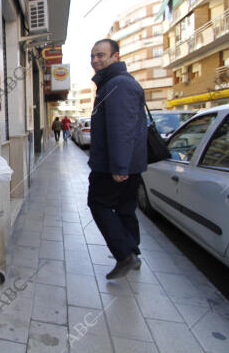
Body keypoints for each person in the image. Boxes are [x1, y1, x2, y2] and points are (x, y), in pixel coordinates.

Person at [88, 38, 147, 280]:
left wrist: (119, 166)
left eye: (101, 55)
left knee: (99, 204)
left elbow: (122, 128)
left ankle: (125, 256)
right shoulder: (115, 83)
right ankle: (132, 251)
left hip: (114, 165)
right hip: (126, 164)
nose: (95, 60)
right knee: (124, 208)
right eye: (93, 56)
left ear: (116, 57)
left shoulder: (117, 85)